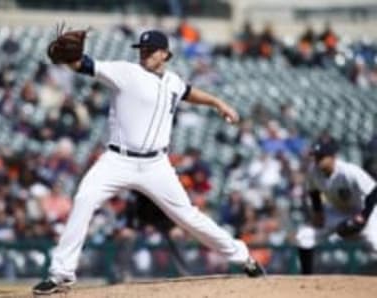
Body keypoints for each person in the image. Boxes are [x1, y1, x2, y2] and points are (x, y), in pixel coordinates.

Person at [33, 30, 265, 295]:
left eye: (150, 50)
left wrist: (217, 103)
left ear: (165, 53)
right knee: (84, 198)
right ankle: (61, 274)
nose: (144, 53)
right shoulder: (125, 72)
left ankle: (244, 258)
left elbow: (188, 92)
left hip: (156, 165)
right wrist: (72, 59)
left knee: (188, 217)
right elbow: (86, 65)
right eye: (141, 49)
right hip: (117, 160)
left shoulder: (173, 81)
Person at [296, 138, 377, 274]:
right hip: (337, 211)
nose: (317, 160)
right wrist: (318, 212)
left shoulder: (349, 171)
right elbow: (313, 190)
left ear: (333, 157)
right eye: (316, 157)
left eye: (321, 157)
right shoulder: (313, 171)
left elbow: (374, 191)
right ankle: (306, 278)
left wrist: (363, 216)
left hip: (363, 210)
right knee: (304, 236)